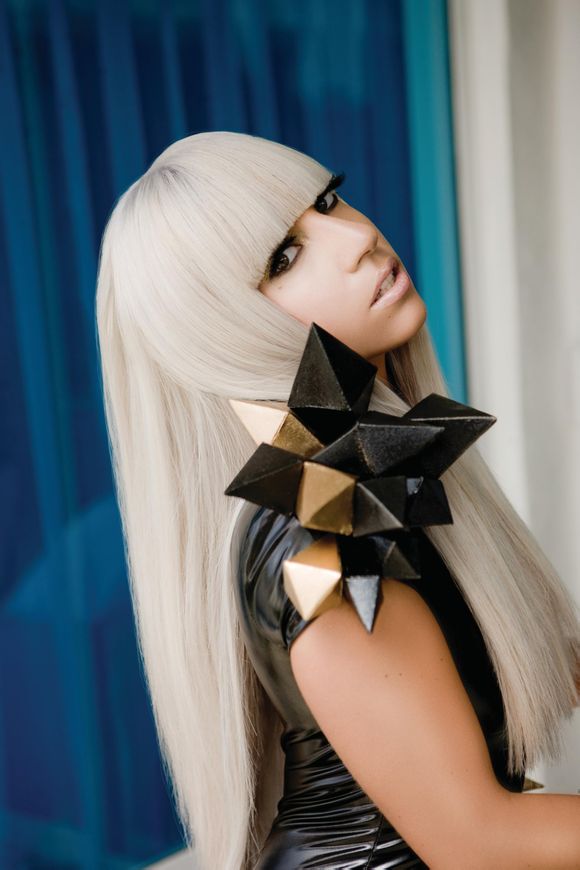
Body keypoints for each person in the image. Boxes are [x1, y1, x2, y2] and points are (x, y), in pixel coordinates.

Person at [95, 131, 580, 869]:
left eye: (327, 201)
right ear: (223, 332)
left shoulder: (357, 468)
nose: (358, 238)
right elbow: (480, 840)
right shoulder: (326, 530)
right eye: (284, 257)